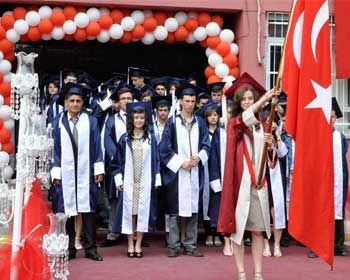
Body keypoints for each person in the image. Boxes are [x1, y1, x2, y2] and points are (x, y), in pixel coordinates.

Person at [218, 73, 276, 280]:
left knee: (258, 231)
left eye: (250, 98)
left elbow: (270, 160)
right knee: (238, 232)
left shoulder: (262, 126)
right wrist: (264, 100)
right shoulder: (235, 124)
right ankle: (242, 272)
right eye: (243, 99)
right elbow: (245, 119)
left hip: (259, 185)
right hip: (240, 186)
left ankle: (258, 273)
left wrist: (271, 145)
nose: (247, 102)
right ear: (238, 102)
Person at [51, 82, 104, 261]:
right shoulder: (57, 121)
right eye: (72, 100)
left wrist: (98, 169)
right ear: (66, 102)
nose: (75, 104)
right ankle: (70, 247)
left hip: (85, 171)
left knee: (88, 210)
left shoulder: (90, 121)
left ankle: (90, 248)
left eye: (78, 101)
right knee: (67, 210)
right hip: (65, 172)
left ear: (82, 103)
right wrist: (56, 172)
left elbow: (97, 146)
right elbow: (55, 149)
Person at [159, 83, 211, 258]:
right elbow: (164, 149)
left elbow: (207, 145)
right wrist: (181, 163)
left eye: (193, 101)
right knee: (174, 212)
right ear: (180, 102)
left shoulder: (201, 123)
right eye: (187, 101)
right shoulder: (172, 123)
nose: (190, 104)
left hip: (195, 172)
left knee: (193, 210)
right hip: (177, 175)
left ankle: (190, 244)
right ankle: (173, 246)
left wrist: (200, 156)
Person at [111, 102, 161, 258]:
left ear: (146, 120)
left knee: (142, 213)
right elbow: (116, 162)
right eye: (136, 117)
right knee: (130, 213)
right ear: (132, 119)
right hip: (129, 182)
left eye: (142, 117)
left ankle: (139, 244)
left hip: (144, 182)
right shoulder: (124, 139)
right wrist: (119, 180)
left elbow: (156, 160)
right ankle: (130, 244)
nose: (139, 120)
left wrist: (157, 179)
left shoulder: (151, 139)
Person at [308, 97, 350, 258]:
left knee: (337, 211)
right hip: (320, 179)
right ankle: (316, 245)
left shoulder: (340, 137)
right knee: (319, 210)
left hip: (338, 178)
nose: (330, 119)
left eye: (333, 116)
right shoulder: (315, 136)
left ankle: (338, 245)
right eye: (327, 116)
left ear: (335, 118)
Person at [100, 83, 135, 247]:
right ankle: (113, 232)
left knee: (135, 198)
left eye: (129, 98)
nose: (127, 101)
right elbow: (107, 141)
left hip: (136, 163)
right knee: (115, 198)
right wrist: (119, 159)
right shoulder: (112, 120)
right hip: (117, 165)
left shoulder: (139, 117)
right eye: (123, 99)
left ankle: (133, 232)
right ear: (118, 102)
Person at [263, 121, 288, 258]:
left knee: (277, 213)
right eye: (268, 123)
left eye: (273, 124)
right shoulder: (259, 138)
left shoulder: (280, 139)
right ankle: (266, 245)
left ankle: (277, 245)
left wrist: (277, 136)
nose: (271, 126)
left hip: (277, 180)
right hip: (263, 179)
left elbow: (283, 153)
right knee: (264, 213)